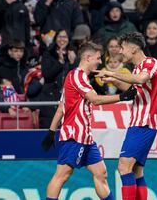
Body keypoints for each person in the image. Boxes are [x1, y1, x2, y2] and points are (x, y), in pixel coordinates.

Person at [41, 41, 137, 200]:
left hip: (85, 138)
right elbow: (95, 100)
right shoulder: (77, 76)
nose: (100, 62)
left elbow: (61, 107)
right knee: (62, 175)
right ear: (87, 58)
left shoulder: (78, 78)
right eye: (98, 58)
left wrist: (51, 131)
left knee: (101, 173)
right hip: (74, 136)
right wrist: (122, 97)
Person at [95, 32, 157, 200]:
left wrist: (112, 73)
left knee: (123, 168)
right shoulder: (137, 68)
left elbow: (141, 79)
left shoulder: (150, 63)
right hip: (138, 124)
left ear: (134, 48)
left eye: (123, 47)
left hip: (144, 123)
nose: (120, 51)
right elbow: (133, 90)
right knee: (136, 171)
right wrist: (113, 81)